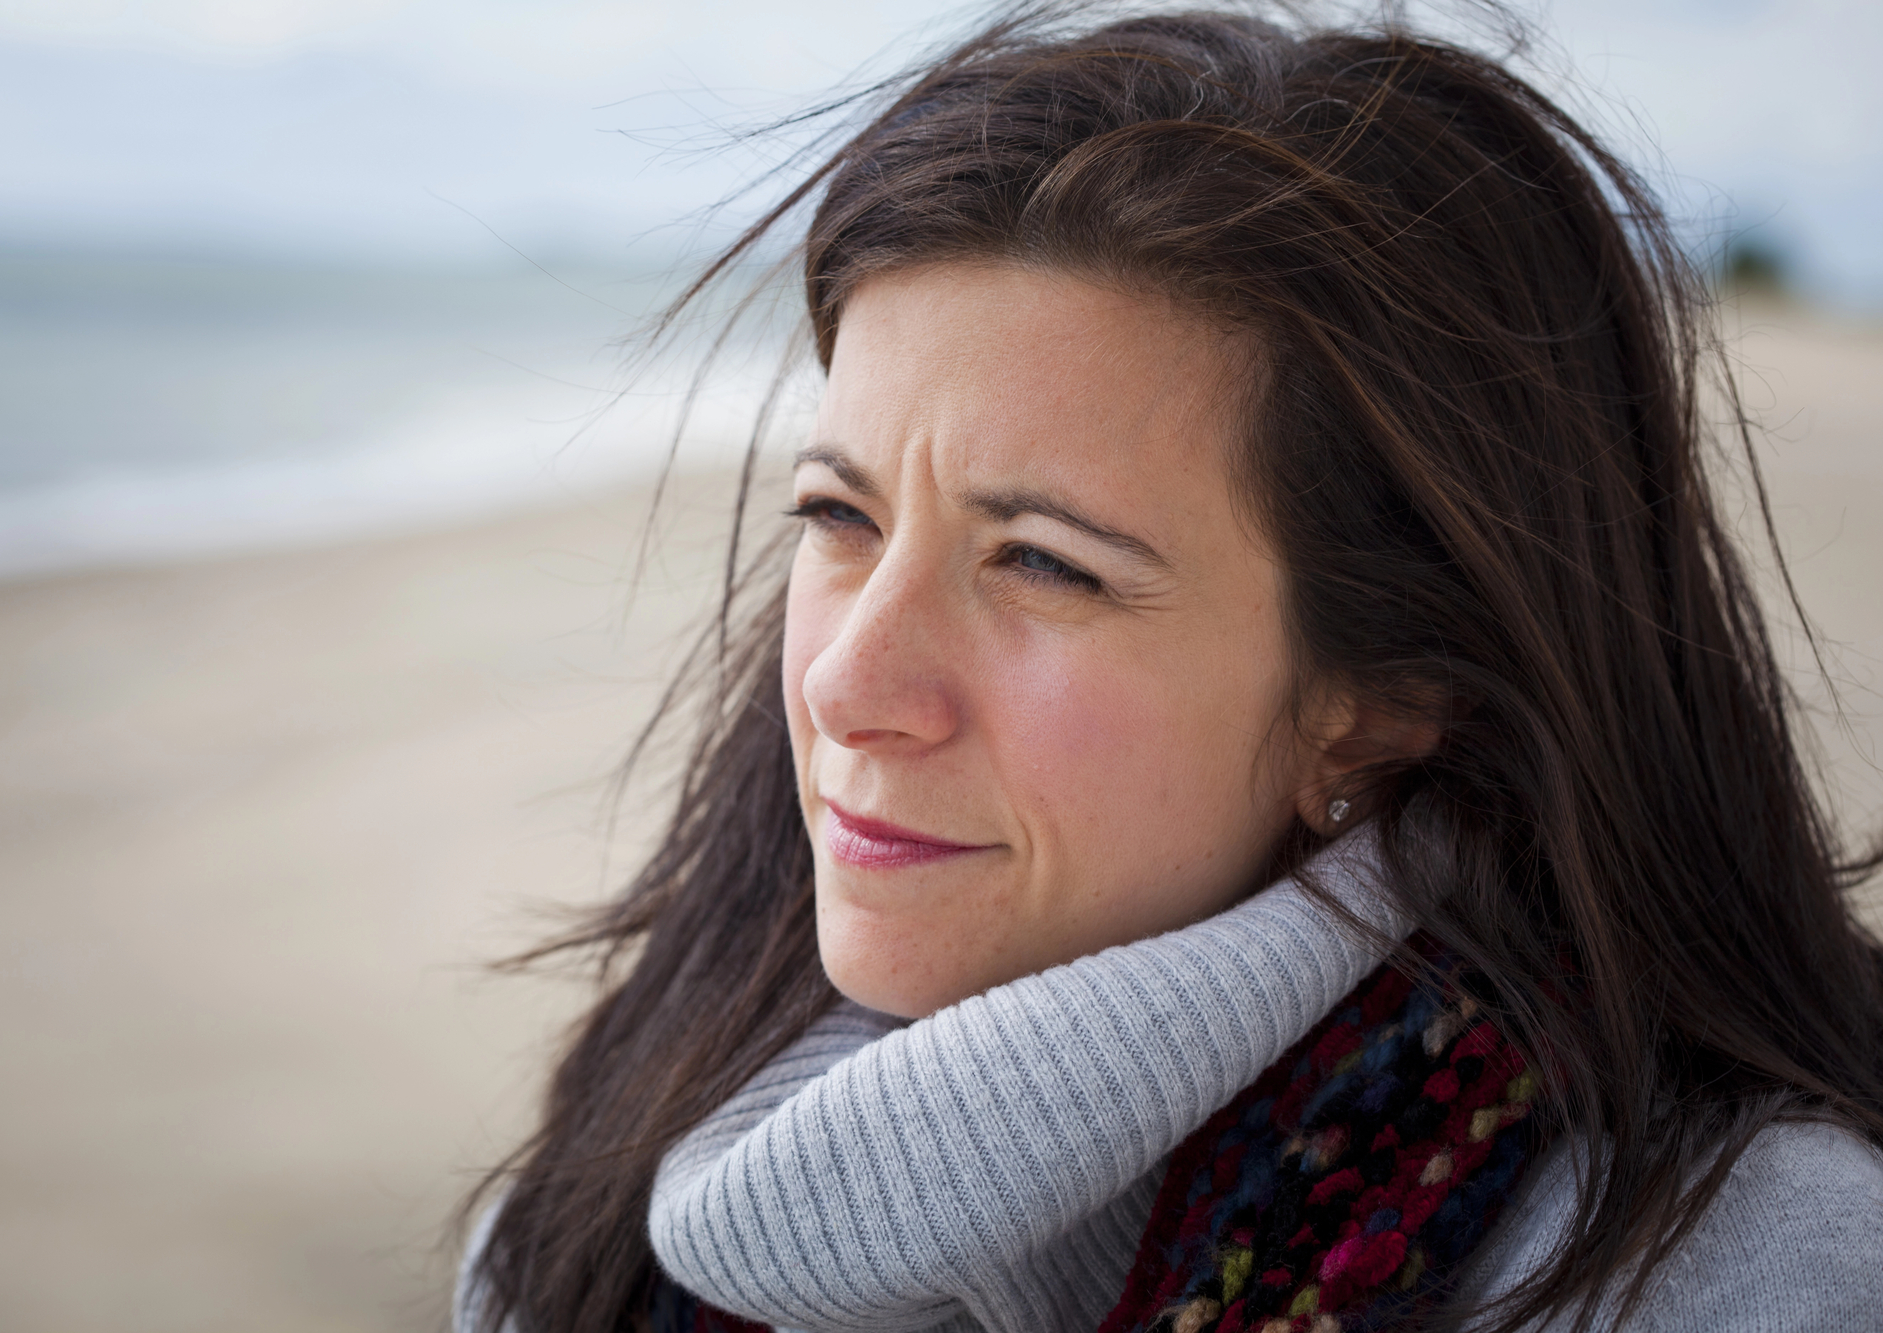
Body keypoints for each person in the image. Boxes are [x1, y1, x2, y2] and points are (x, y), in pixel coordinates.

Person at [458, 6, 1883, 1331]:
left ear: (1383, 699)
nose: (846, 687)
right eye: (841, 516)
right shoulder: (584, 1212)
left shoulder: (1737, 1270)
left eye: (1044, 563)